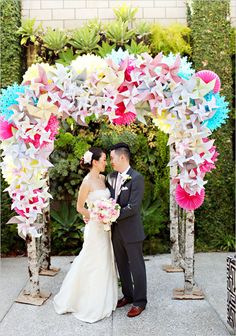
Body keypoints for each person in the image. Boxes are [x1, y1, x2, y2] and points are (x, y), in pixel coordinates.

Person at [53, 147, 118, 323]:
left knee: (105, 261)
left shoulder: (104, 178)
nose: (106, 162)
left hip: (106, 229)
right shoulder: (86, 182)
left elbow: (107, 201)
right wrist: (98, 215)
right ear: (95, 162)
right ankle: (86, 301)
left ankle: (105, 298)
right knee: (92, 262)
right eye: (104, 159)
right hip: (95, 229)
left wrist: (109, 213)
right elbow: (80, 208)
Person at [106, 142, 147, 318]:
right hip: (116, 232)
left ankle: (140, 301)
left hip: (131, 231)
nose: (111, 162)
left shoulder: (137, 178)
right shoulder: (110, 177)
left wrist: (110, 215)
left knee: (136, 266)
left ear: (122, 157)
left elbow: (133, 207)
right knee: (121, 265)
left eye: (112, 158)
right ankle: (128, 296)